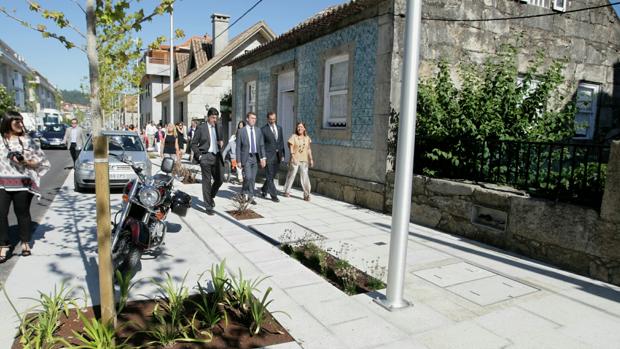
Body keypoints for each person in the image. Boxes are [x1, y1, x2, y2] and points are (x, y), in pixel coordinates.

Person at [0, 111, 50, 262]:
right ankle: (3, 245)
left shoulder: (28, 141)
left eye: (21, 122)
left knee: (22, 213)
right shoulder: (1, 140)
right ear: (8, 123)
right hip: (2, 182)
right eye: (16, 122)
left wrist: (25, 162)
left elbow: (41, 162)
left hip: (22, 182)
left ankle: (25, 243)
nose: (20, 125)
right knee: (0, 214)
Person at [191, 107, 224, 214]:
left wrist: (221, 143)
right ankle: (208, 206)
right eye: (213, 117)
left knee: (220, 180)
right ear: (208, 117)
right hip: (205, 157)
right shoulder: (201, 128)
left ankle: (210, 197)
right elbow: (193, 144)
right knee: (207, 181)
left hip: (217, 156)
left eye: (216, 118)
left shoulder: (219, 126)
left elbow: (220, 140)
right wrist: (200, 156)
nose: (215, 120)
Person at [236, 112, 266, 205]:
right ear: (247, 119)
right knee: (248, 177)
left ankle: (250, 196)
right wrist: (238, 160)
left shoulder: (258, 130)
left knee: (252, 178)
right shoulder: (241, 131)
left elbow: (261, 145)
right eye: (252, 118)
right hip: (246, 157)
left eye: (255, 118)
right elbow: (238, 147)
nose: (254, 120)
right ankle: (244, 192)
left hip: (256, 157)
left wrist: (263, 158)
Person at [283, 122, 314, 201]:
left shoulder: (307, 138)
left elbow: (308, 149)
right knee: (292, 174)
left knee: (305, 176)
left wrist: (311, 159)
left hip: (304, 160)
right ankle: (287, 190)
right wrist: (292, 157)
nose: (299, 128)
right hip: (295, 159)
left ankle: (307, 194)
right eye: (298, 127)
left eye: (301, 127)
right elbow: (291, 147)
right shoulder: (294, 136)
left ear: (304, 128)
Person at [260, 112, 285, 202]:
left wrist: (283, 154)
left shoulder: (279, 128)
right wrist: (263, 157)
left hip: (278, 156)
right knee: (269, 176)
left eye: (274, 119)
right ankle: (273, 195)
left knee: (272, 175)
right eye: (271, 119)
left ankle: (264, 189)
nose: (272, 121)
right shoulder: (263, 130)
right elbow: (261, 145)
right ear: (267, 119)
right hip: (268, 156)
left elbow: (281, 142)